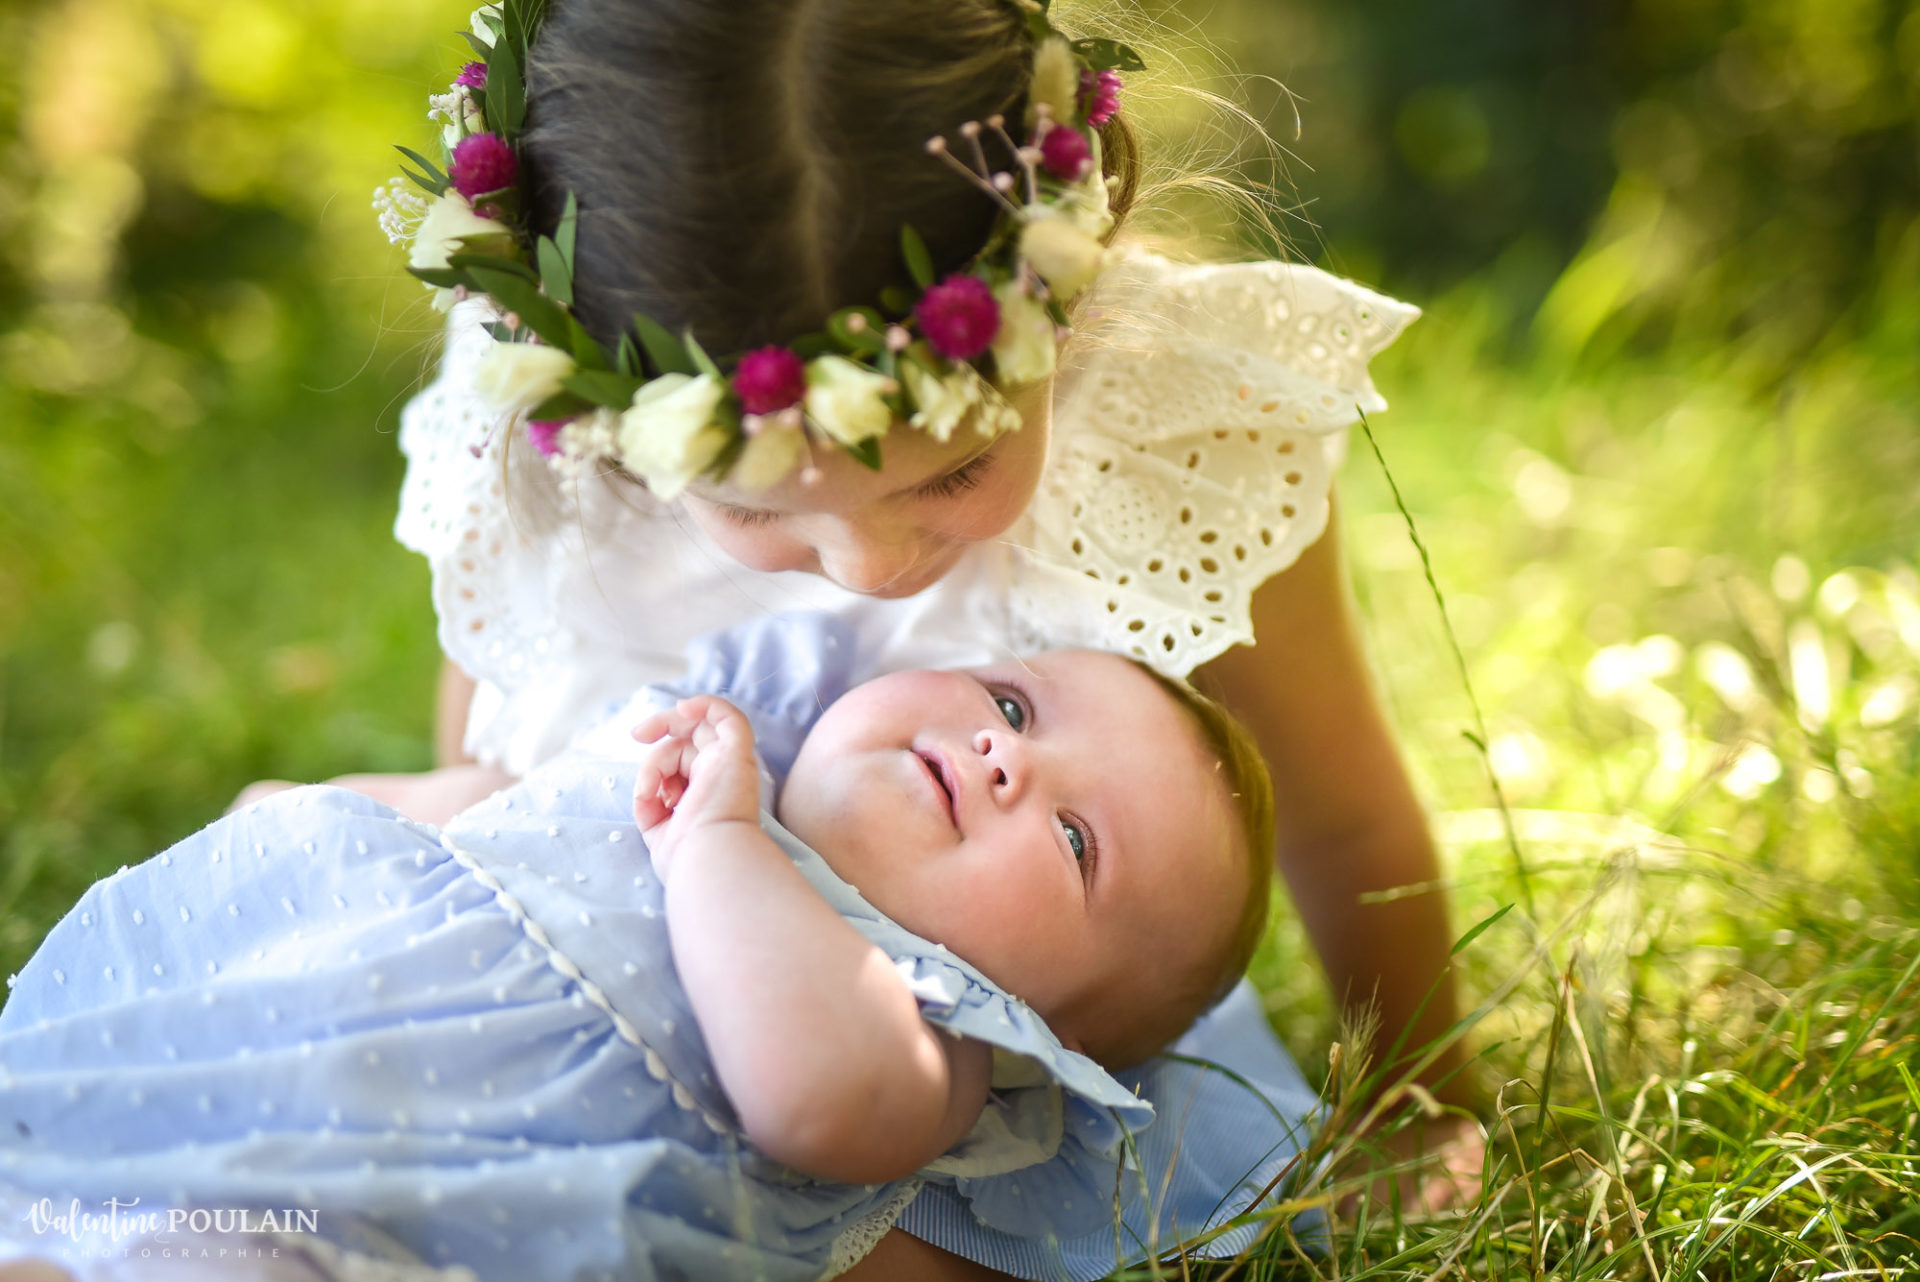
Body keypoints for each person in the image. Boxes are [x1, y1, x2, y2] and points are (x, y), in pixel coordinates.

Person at [343, 0, 1489, 1274]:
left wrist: (1418, 1104)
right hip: (597, 1037)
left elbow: (1345, 821)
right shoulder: (554, 444)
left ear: (1064, 286)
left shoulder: (1181, 428)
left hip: (974, 1120)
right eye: (755, 505)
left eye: (958, 472)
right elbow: (483, 763)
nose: (872, 565)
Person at [0, 618, 1278, 1282]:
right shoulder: (698, 742)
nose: (1008, 754)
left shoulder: (932, 1048)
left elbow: (814, 1094)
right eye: (1014, 701)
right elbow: (482, 817)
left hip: (408, 1217)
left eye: (1073, 838)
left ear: (1048, 1030)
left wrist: (718, 843)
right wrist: (301, 816)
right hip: (238, 1053)